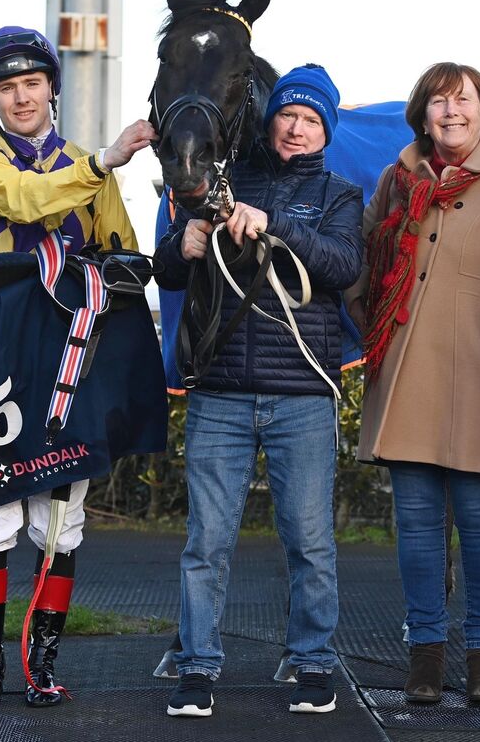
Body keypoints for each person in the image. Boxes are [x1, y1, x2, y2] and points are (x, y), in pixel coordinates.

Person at [0, 26, 157, 709]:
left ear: (51, 89)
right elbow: (26, 202)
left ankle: (41, 666)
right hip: (1, 363)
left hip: (72, 358)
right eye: (7, 88)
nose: (21, 98)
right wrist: (105, 159)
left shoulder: (88, 169)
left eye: (32, 83)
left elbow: (122, 250)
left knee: (61, 523)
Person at [154, 63, 364, 717]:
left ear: (325, 130)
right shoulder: (220, 179)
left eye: (311, 120)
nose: (297, 128)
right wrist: (183, 242)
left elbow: (342, 265)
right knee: (206, 541)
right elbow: (165, 269)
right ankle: (196, 666)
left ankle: (311, 662)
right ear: (269, 117)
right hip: (217, 391)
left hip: (303, 393)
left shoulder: (340, 194)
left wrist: (274, 223)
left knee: (309, 539)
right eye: (289, 115)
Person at [346, 63, 480, 704]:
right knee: (416, 526)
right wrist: (375, 330)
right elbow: (364, 264)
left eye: (464, 101)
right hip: (405, 381)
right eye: (438, 100)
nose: (451, 111)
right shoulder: (394, 181)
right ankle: (424, 652)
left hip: (479, 378)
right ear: (422, 114)